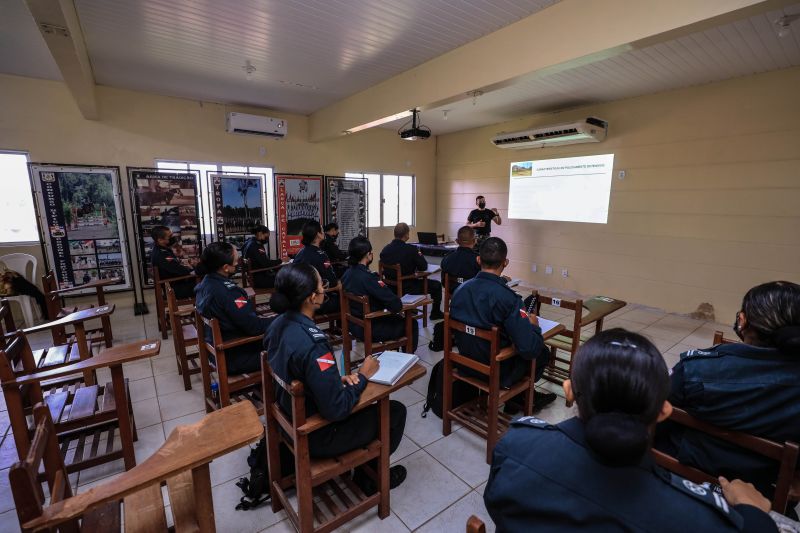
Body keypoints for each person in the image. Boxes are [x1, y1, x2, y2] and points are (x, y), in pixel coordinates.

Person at [484, 328, 778, 532]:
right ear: (664, 411)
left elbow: (496, 506)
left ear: (569, 391)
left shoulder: (515, 445)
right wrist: (754, 515)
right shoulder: (693, 517)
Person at [265, 263, 408, 493]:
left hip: (288, 417)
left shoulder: (276, 325)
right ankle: (369, 479)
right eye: (322, 286)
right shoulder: (315, 344)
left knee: (362, 400)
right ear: (312, 298)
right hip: (316, 434)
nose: (325, 290)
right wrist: (363, 375)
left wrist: (334, 380)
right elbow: (336, 409)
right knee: (395, 411)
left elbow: (297, 370)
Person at [656, 281, 800, 497]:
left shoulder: (698, 369)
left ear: (743, 321)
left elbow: (657, 412)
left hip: (686, 471)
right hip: (764, 490)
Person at [449, 237, 556, 409]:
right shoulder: (509, 299)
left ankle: (517, 398)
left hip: (465, 363)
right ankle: (520, 397)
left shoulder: (459, 291)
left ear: (478, 260)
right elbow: (529, 349)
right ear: (505, 263)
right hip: (496, 371)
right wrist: (534, 326)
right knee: (541, 351)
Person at [194, 242, 275, 374]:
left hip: (219, 351)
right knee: (289, 348)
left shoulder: (205, 284)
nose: (238, 263)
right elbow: (254, 327)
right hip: (235, 356)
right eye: (236, 261)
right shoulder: (228, 293)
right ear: (225, 267)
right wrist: (281, 318)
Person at [342, 236, 419, 352]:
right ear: (368, 255)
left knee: (395, 318)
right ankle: (407, 360)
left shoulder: (346, 274)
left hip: (354, 325)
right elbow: (396, 305)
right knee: (411, 323)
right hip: (370, 328)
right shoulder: (369, 278)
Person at [379, 222, 443, 320]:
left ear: (395, 234)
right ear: (406, 235)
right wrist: (420, 256)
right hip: (408, 287)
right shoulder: (411, 249)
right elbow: (423, 267)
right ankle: (435, 313)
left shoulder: (385, 250)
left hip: (390, 287)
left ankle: (413, 310)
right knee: (437, 285)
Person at [292, 221, 341, 316]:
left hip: (298, 300)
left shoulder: (301, 252)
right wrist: (338, 285)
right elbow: (331, 282)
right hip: (315, 301)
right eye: (322, 230)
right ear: (318, 234)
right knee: (348, 301)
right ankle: (343, 329)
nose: (324, 233)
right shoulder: (320, 255)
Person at [150, 225, 198, 299]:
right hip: (173, 289)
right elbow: (179, 270)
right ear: (160, 240)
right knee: (206, 285)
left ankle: (199, 308)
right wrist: (192, 270)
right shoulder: (162, 254)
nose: (173, 238)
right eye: (169, 236)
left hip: (175, 284)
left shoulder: (162, 250)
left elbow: (175, 265)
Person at [440, 225, 480, 302]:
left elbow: (443, 279)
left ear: (457, 241)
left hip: (453, 291)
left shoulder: (448, 257)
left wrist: (458, 280)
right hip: (471, 293)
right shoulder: (478, 259)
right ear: (474, 241)